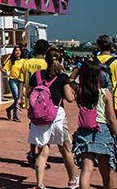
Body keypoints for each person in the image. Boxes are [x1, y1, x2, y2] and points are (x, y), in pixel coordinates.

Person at [25, 47, 79, 189]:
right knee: (65, 150)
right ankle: (72, 180)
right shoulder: (62, 77)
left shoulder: (37, 75)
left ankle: (40, 184)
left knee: (42, 152)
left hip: (40, 116)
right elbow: (69, 98)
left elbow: (29, 94)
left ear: (46, 60)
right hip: (57, 116)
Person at [72, 59, 117, 189]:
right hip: (102, 131)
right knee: (106, 172)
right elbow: (112, 118)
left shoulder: (80, 91)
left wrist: (81, 69)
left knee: (86, 170)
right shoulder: (105, 94)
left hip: (85, 130)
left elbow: (70, 79)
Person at [20, 38, 50, 167]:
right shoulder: (47, 64)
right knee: (45, 128)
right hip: (45, 100)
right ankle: (41, 156)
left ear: (35, 49)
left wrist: (20, 98)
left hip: (31, 98)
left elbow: (21, 80)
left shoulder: (27, 63)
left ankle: (32, 151)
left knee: (33, 125)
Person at [0, 45, 26, 122]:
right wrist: (0, 68)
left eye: (19, 51)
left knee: (20, 98)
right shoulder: (11, 61)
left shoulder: (23, 61)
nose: (18, 52)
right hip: (13, 80)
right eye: (16, 50)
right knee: (17, 97)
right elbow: (5, 70)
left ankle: (9, 108)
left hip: (21, 81)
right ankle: (15, 116)